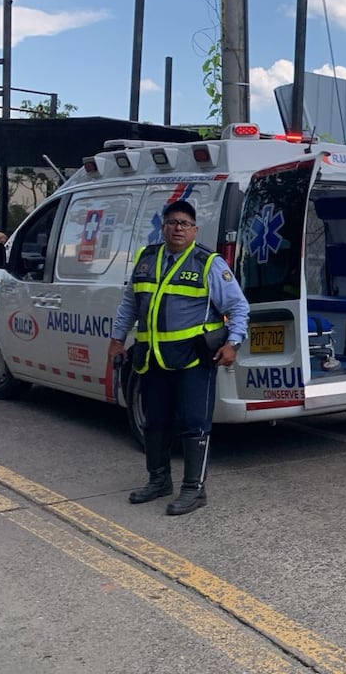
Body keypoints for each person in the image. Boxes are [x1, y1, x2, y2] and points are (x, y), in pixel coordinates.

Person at [108, 201, 250, 516]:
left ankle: (194, 490)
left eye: (185, 223)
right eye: (172, 222)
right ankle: (158, 480)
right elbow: (129, 305)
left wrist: (233, 344)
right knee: (155, 421)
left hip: (193, 360)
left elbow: (238, 307)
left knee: (193, 423)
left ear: (195, 229)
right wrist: (117, 340)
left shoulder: (208, 262)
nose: (178, 228)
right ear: (163, 227)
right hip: (152, 359)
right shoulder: (147, 259)